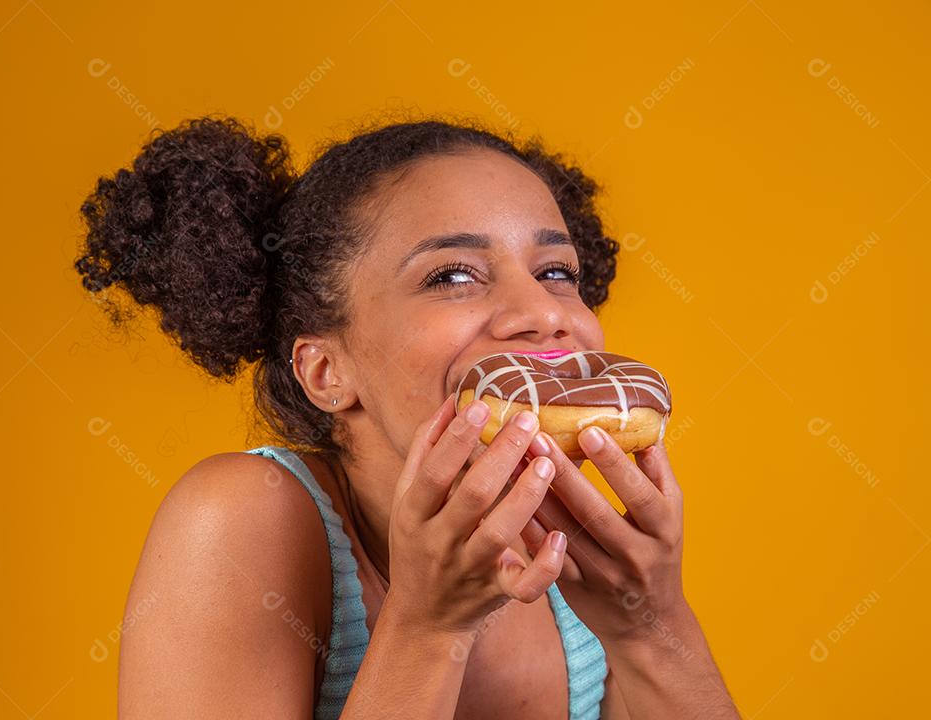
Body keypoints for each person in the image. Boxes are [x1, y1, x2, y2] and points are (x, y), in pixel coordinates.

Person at [74, 112, 740, 719]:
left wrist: (650, 622)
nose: (543, 312)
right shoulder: (244, 516)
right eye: (452, 276)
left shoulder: (579, 556)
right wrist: (429, 629)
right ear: (326, 373)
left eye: (557, 272)